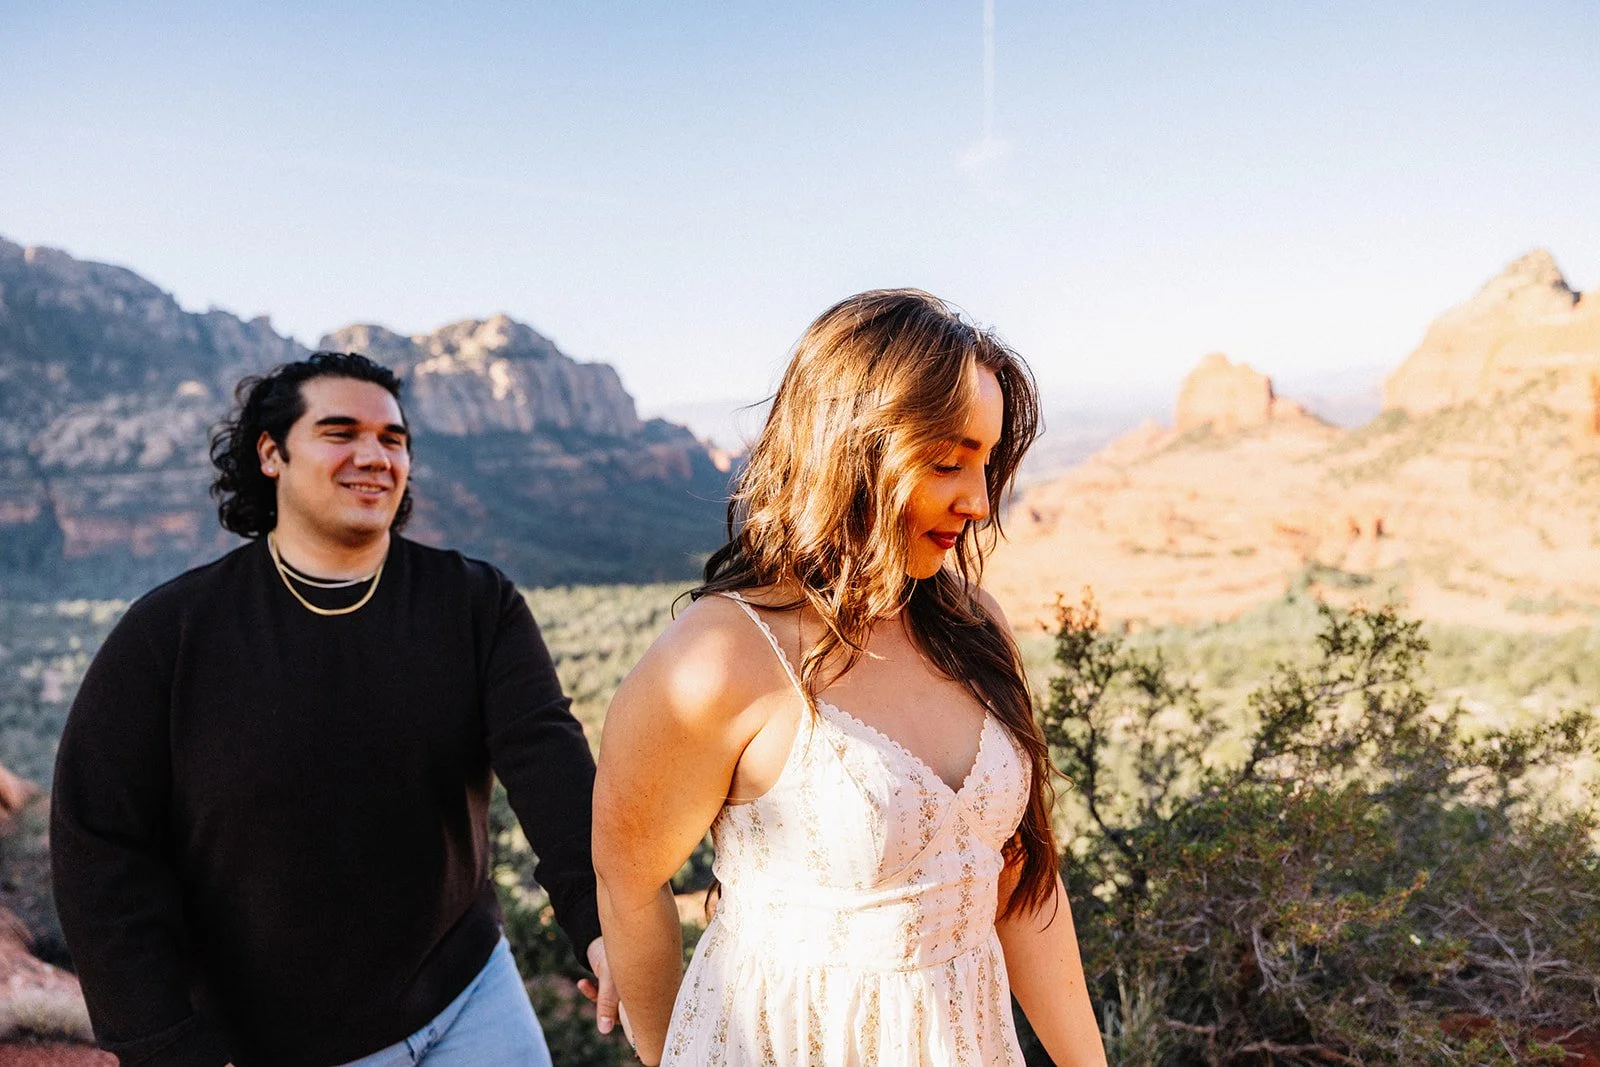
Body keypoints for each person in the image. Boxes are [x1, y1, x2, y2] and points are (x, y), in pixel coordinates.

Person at [51, 352, 617, 1067]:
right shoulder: (170, 633)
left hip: (472, 995)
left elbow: (551, 766)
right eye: (340, 431)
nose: (373, 456)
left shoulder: (476, 603)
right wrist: (167, 1047)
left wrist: (604, 922)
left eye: (393, 438)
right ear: (271, 453)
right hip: (280, 1042)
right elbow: (99, 846)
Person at [592, 291, 1108, 1065]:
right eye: (947, 461)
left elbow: (1020, 881)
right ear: (854, 448)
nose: (979, 500)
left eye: (988, 461)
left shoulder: (977, 627)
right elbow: (629, 885)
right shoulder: (720, 659)